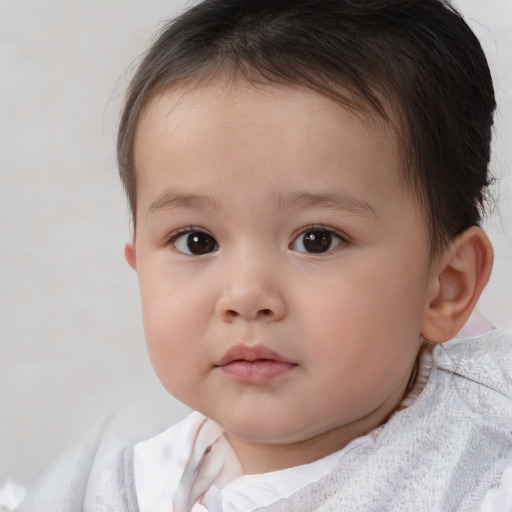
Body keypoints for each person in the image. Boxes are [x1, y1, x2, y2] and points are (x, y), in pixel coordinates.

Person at [18, 0, 512, 510]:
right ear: (139, 267)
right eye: (196, 241)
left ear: (446, 286)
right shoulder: (115, 472)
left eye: (316, 239)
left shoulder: (479, 481)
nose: (246, 296)